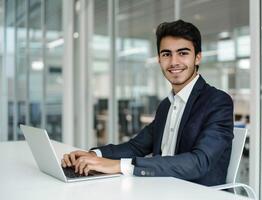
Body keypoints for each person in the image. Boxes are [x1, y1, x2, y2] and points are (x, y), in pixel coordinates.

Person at [61, 19, 234, 186]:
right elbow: (136, 147)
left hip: (194, 192)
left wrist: (119, 166)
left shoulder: (217, 101)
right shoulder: (166, 106)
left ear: (197, 58)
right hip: (159, 186)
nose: (174, 62)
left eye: (183, 53)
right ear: (159, 59)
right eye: (166, 54)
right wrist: (93, 155)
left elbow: (199, 162)